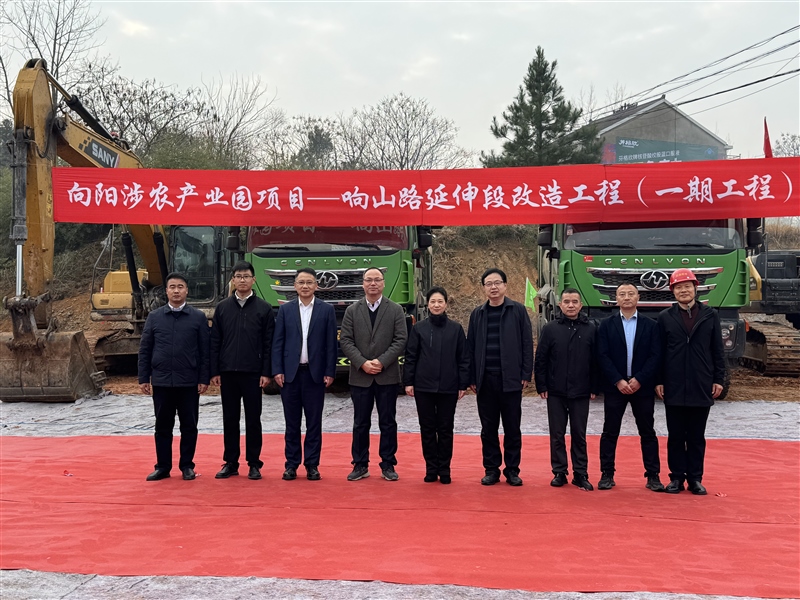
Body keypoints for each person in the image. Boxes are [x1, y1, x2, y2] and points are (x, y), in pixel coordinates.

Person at [656, 268, 725, 495]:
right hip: (674, 384)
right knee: (676, 436)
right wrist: (659, 380)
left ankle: (695, 478)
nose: (683, 291)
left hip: (701, 383)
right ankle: (676, 478)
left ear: (695, 288)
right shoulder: (665, 317)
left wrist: (719, 379)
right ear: (673, 292)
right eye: (678, 287)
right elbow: (659, 352)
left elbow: (717, 350)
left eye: (687, 286)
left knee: (696, 436)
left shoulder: (710, 315)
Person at [138, 272, 210, 481]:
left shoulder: (197, 317)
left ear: (187, 290)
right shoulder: (154, 317)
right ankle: (162, 466)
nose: (176, 291)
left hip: (188, 382)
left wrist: (204, 378)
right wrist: (144, 377)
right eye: (172, 287)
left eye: (180, 287)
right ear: (166, 291)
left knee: (189, 426)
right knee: (163, 426)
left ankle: (187, 465)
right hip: (162, 382)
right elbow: (145, 349)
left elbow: (205, 351)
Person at [339, 267, 407, 482]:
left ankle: (388, 464)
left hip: (387, 375)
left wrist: (381, 362)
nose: (373, 283)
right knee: (360, 423)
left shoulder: (395, 309)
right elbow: (346, 340)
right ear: (363, 283)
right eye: (369, 280)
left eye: (377, 279)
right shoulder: (352, 310)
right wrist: (362, 363)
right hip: (361, 376)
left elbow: (400, 340)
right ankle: (360, 464)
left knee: (388, 422)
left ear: (383, 283)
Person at [466, 268, 533, 487]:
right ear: (483, 288)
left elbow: (527, 344)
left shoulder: (518, 311)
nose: (493, 287)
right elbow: (470, 348)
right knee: (488, 429)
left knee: (512, 428)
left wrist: (526, 373)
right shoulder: (477, 314)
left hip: (511, 379)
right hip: (485, 380)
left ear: (505, 285)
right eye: (489, 283)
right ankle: (491, 469)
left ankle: (512, 470)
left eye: (497, 283)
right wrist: (472, 377)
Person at [210, 261, 275, 481]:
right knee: (230, 418)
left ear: (253, 280)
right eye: (238, 276)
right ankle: (231, 462)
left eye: (246, 276)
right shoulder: (222, 308)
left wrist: (266, 372)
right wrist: (215, 371)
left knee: (253, 419)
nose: (242, 280)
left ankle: (254, 463)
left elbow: (268, 343)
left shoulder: (264, 308)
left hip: (253, 373)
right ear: (233, 280)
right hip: (228, 372)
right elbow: (215, 341)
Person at [596, 283, 664, 492]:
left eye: (631, 294)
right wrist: (618, 380)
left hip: (641, 386)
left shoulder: (651, 325)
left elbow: (656, 355)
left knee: (647, 432)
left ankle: (653, 475)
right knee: (610, 431)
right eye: (622, 294)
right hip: (615, 386)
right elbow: (602, 355)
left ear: (638, 297)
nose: (626, 297)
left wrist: (640, 379)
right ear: (616, 299)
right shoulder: (605, 325)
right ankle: (607, 474)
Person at [272, 268, 337, 481]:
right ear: (295, 286)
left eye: (309, 282)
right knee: (292, 423)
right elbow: (278, 342)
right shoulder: (285, 310)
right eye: (301, 282)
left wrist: (330, 371)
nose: (305, 286)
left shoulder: (326, 310)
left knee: (314, 423)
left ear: (316, 285)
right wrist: (277, 369)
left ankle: (312, 465)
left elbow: (331, 344)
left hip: (314, 375)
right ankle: (291, 464)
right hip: (290, 375)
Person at [404, 287, 469, 484]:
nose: (436, 305)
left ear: (446, 304)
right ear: (428, 304)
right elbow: (411, 356)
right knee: (427, 429)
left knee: (446, 429)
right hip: (423, 387)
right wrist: (408, 382)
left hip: (448, 387)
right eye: (433, 301)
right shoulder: (419, 328)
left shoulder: (456, 329)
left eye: (440, 301)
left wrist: (463, 383)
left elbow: (463, 358)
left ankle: (445, 469)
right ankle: (431, 468)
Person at [534, 288, 597, 491]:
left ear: (581, 305)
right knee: (557, 434)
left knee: (579, 434)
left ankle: (580, 473)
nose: (571, 305)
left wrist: (595, 386)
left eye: (574, 302)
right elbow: (541, 359)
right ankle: (559, 472)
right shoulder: (550, 329)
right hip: (556, 390)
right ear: (560, 305)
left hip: (581, 391)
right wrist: (542, 385)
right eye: (567, 302)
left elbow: (596, 361)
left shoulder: (591, 328)